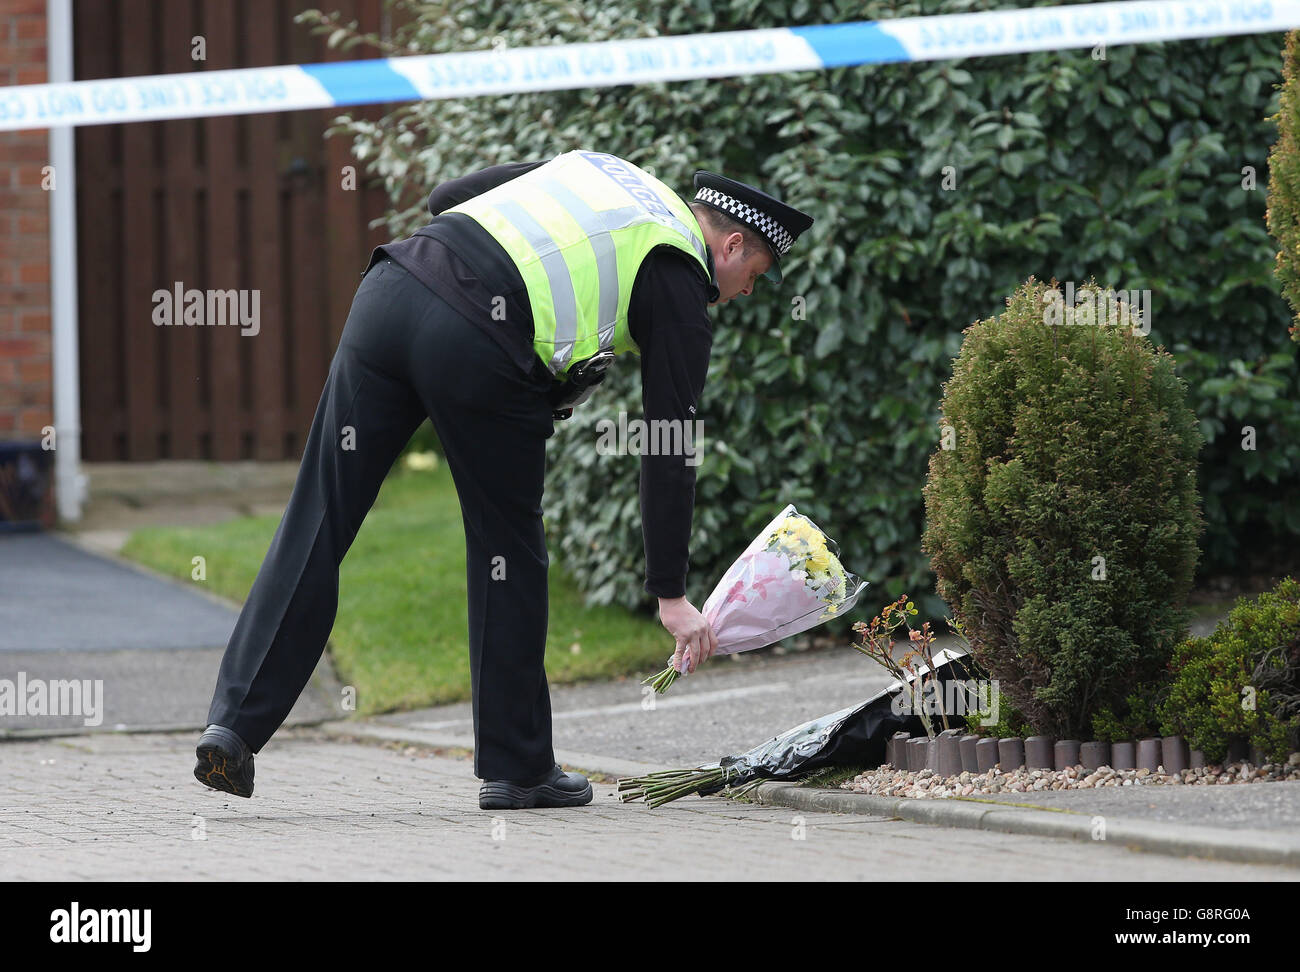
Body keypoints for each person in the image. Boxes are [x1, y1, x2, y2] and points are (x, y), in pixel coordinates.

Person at [193, 149, 814, 809]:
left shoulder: (607, 171)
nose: (746, 291)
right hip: (477, 343)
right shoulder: (681, 272)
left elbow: (446, 193)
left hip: (392, 290)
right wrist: (669, 595)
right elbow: (668, 442)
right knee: (506, 549)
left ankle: (233, 726)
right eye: (754, 274)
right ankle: (518, 767)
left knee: (317, 517)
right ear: (733, 242)